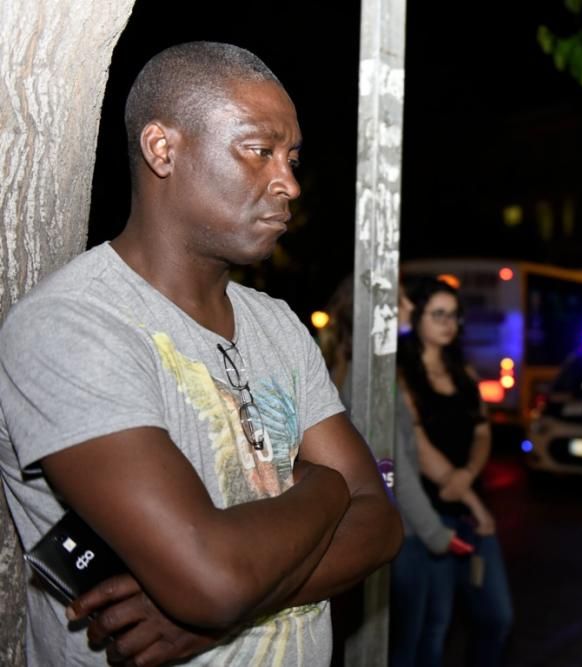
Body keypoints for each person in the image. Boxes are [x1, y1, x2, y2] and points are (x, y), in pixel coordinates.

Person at [0, 42, 402, 666]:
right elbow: (212, 579)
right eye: (259, 150)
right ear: (163, 150)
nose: (288, 182)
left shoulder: (276, 323)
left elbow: (380, 523)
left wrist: (231, 608)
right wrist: (326, 487)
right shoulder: (73, 325)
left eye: (292, 157)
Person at [323, 277, 476, 667]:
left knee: (415, 635)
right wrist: (437, 533)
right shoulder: (369, 377)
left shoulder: (371, 368)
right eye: (403, 301)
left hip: (401, 527)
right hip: (401, 532)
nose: (410, 308)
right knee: (403, 645)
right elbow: (394, 467)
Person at [397, 277, 513, 667]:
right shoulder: (403, 376)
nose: (449, 323)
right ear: (417, 318)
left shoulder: (463, 372)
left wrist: (467, 475)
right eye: (439, 315)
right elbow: (420, 449)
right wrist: (472, 500)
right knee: (434, 626)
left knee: (497, 616)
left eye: (454, 315)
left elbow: (482, 432)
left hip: (467, 505)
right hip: (431, 515)